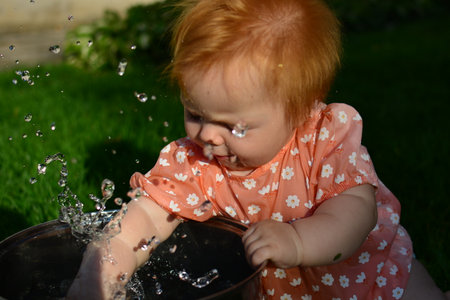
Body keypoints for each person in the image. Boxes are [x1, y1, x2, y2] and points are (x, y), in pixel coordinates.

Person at [67, 0, 449, 299]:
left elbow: (355, 214)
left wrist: (297, 241)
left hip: (366, 280)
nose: (210, 137)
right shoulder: (195, 162)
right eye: (195, 113)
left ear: (300, 110)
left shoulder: (324, 141)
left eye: (235, 126)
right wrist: (104, 263)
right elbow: (148, 218)